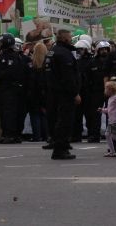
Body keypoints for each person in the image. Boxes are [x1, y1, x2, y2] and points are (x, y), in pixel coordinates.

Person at [47, 28, 81, 160]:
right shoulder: (64, 53)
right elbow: (68, 77)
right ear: (64, 38)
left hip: (53, 92)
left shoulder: (52, 51)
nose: (71, 39)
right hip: (64, 94)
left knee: (57, 120)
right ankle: (60, 149)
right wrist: (74, 93)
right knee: (64, 121)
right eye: (70, 37)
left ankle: (60, 146)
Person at [0, 33, 27, 144]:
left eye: (1, 42)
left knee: (9, 112)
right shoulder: (3, 55)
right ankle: (6, 134)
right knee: (4, 112)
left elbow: (10, 73)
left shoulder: (12, 56)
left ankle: (11, 135)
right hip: (4, 89)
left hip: (10, 89)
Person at [28, 41, 49, 142]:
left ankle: (37, 135)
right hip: (45, 93)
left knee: (35, 115)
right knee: (44, 115)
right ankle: (45, 135)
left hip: (33, 94)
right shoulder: (47, 66)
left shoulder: (32, 66)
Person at [100, 81, 116, 156]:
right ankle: (112, 151)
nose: (105, 91)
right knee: (110, 136)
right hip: (111, 121)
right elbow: (109, 110)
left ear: (111, 90)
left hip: (115, 120)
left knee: (109, 135)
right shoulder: (110, 98)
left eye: (107, 89)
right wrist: (102, 110)